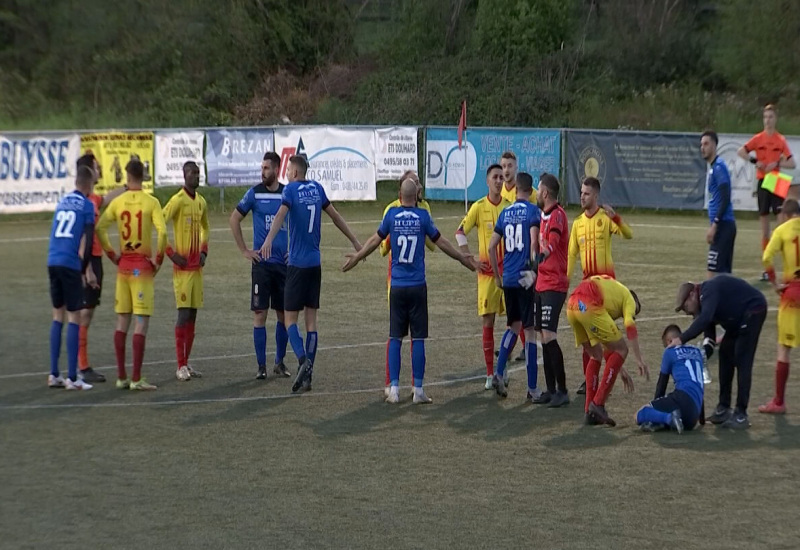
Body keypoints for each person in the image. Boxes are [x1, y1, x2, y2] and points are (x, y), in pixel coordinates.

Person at [342, 179, 475, 403]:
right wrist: (462, 258)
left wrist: (357, 257)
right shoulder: (423, 217)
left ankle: (393, 389)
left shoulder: (391, 215)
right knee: (418, 338)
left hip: (396, 286)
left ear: (399, 195)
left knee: (395, 336)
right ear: (417, 196)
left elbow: (376, 240)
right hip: (417, 285)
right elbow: (441, 243)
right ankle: (418, 390)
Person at [260, 155, 362, 393]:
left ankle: (302, 360)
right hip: (315, 264)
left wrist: (268, 240)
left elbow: (280, 216)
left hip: (296, 265)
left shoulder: (291, 191)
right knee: (312, 322)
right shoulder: (317, 189)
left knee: (289, 320)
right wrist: (356, 241)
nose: (287, 175)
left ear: (295, 173)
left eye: (288, 171)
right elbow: (335, 217)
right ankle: (308, 376)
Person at [96, 159, 167, 391]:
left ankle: (121, 376)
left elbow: (99, 228)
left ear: (127, 177)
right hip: (141, 269)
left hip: (123, 266)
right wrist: (157, 261)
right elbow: (163, 232)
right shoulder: (151, 202)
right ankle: (136, 378)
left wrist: (112, 255)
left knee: (122, 321)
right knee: (141, 322)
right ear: (144, 176)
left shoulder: (118, 202)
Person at [675, 275, 767, 429]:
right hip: (738, 319)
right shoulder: (704, 306)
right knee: (725, 355)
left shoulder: (708, 291)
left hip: (753, 310)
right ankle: (723, 407)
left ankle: (741, 414)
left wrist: (681, 339)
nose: (687, 313)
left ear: (692, 294)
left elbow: (704, 320)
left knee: (742, 359)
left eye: (686, 307)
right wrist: (702, 355)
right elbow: (709, 337)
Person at [567, 176, 632, 394]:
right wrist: (566, 282)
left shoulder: (605, 218)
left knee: (606, 338)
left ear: (595, 195)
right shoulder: (577, 224)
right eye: (581, 192)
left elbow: (628, 235)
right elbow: (571, 255)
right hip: (587, 290)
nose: (582, 197)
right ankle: (590, 382)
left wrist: (617, 219)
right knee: (589, 339)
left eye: (586, 193)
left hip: (607, 290)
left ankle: (606, 378)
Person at [230, 152, 291, 380]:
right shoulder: (254, 193)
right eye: (261, 168)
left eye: (266, 168)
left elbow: (298, 223)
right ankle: (261, 366)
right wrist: (245, 250)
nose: (262, 172)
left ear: (276, 169)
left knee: (284, 315)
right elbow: (234, 218)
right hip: (262, 266)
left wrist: (292, 251)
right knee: (260, 314)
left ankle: (280, 362)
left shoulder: (287, 193)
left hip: (283, 266)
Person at [455, 165, 512, 390]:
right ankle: (490, 374)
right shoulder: (478, 207)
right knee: (488, 322)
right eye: (495, 177)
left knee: (514, 322)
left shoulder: (510, 207)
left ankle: (503, 368)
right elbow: (460, 231)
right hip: (487, 277)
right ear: (487, 181)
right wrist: (469, 259)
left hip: (509, 275)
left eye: (501, 177)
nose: (499, 181)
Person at [379, 170, 435, 395]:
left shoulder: (413, 210)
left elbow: (429, 244)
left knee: (398, 335)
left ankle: (398, 387)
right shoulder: (395, 210)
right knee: (404, 335)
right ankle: (403, 386)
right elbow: (384, 247)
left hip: (401, 282)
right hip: (404, 280)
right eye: (415, 183)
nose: (419, 186)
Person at [566, 275, 649, 425]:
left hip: (572, 305)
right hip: (589, 303)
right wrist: (639, 360)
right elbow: (629, 326)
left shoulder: (612, 296)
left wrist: (620, 369)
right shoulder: (628, 298)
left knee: (595, 355)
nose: (630, 315)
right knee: (623, 349)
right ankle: (598, 404)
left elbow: (607, 345)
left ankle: (589, 413)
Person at [488, 172, 541, 400]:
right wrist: (533, 271)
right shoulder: (532, 212)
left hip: (508, 278)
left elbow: (492, 247)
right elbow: (534, 244)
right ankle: (532, 388)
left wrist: (498, 276)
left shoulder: (505, 212)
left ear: (516, 189)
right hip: (524, 277)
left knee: (513, 326)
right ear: (530, 192)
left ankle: (498, 373)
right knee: (529, 332)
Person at [46, 166, 98, 390]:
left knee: (58, 315)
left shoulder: (62, 202)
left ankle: (54, 374)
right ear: (88, 184)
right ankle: (73, 378)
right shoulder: (88, 206)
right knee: (74, 317)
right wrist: (84, 269)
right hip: (69, 263)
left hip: (52, 260)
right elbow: (87, 241)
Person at [75, 152, 125, 384]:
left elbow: (105, 199)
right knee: (84, 313)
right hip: (87, 261)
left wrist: (128, 187)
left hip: (93, 259)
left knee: (87, 311)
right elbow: (78, 237)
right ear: (89, 171)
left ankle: (80, 364)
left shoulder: (92, 198)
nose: (99, 170)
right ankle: (81, 366)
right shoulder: (83, 202)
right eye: (96, 167)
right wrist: (86, 268)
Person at [737, 104, 796, 280]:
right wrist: (756, 161)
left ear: (775, 119)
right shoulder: (758, 138)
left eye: (770, 117)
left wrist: (777, 164)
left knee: (782, 225)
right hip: (763, 181)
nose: (768, 120)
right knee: (765, 229)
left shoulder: (780, 140)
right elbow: (741, 151)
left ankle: (788, 265)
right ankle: (767, 268)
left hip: (776, 181)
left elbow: (792, 163)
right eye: (765, 117)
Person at [163, 161, 209, 381]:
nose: (196, 176)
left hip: (196, 269)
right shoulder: (177, 200)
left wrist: (204, 250)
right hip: (182, 271)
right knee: (183, 315)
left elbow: (206, 227)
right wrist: (170, 253)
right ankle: (179, 365)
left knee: (193, 315)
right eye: (193, 173)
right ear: (184, 175)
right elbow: (159, 223)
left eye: (198, 173)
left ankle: (186, 363)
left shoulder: (201, 202)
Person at [532, 173, 570, 407]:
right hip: (541, 283)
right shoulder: (543, 215)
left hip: (554, 285)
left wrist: (540, 257)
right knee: (542, 336)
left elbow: (553, 243)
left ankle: (563, 390)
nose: (537, 193)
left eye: (538, 189)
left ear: (545, 193)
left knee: (549, 335)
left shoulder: (557, 215)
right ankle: (550, 389)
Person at [759, 198, 800, 414]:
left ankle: (779, 402)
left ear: (785, 214)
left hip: (792, 295)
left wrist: (775, 284)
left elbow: (767, 257)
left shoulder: (782, 230)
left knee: (784, 348)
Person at [636, 325, 704, 433]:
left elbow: (662, 384)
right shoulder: (697, 352)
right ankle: (667, 421)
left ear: (669, 341)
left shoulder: (670, 352)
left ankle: (668, 418)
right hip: (693, 416)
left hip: (683, 397)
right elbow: (700, 384)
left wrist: (654, 407)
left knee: (640, 413)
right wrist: (702, 419)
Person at [499, 150, 532, 362]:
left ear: (516, 167)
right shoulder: (499, 193)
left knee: (515, 322)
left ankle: (505, 359)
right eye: (503, 167)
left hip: (511, 269)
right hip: (516, 269)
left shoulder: (531, 195)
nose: (506, 170)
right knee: (522, 323)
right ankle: (531, 386)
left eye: (509, 166)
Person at [701, 131, 736, 278]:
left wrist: (715, 224)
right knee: (723, 275)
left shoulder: (719, 168)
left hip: (723, 225)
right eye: (701, 144)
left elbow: (725, 197)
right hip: (724, 225)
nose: (702, 147)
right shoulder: (714, 167)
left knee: (713, 273)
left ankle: (713, 301)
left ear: (714, 146)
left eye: (706, 144)